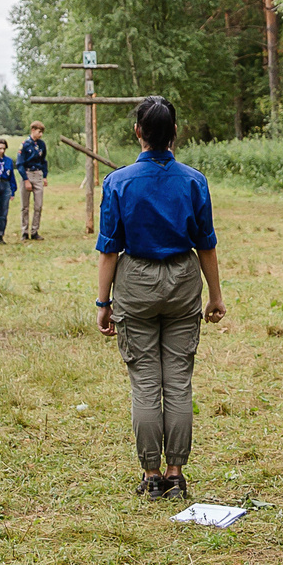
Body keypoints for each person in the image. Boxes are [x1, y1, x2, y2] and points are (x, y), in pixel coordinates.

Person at [95, 95, 225, 499]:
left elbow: (109, 249)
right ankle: (176, 474)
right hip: (184, 282)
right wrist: (216, 296)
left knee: (146, 383)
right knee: (179, 383)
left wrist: (104, 304)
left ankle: (151, 477)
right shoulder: (193, 180)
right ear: (174, 133)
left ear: (138, 132)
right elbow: (206, 244)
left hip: (135, 281)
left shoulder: (118, 181)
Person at [18, 122, 50, 241]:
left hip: (38, 174)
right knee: (25, 206)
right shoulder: (25, 145)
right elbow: (20, 164)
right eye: (39, 132)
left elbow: (43, 161)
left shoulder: (41, 145)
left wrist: (45, 176)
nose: (40, 134)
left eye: (42, 132)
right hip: (27, 173)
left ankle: (35, 230)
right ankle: (24, 231)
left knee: (38, 205)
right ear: (32, 130)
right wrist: (26, 180)